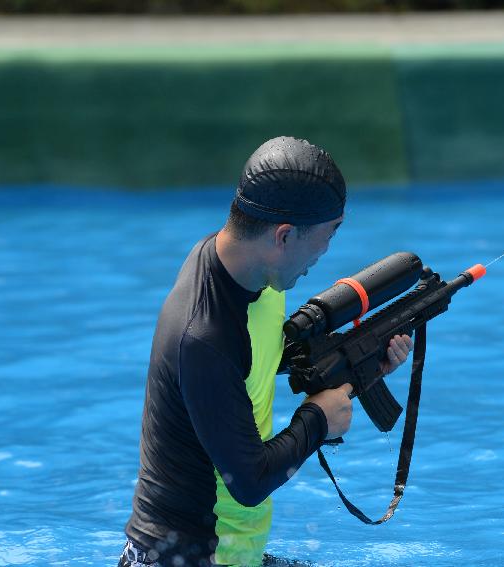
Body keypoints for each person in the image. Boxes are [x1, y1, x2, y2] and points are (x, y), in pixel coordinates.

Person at [119, 136, 413, 567]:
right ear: (285, 236)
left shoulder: (250, 275)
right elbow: (250, 481)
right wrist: (318, 421)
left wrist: (356, 366)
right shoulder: (203, 334)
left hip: (236, 555)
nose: (326, 252)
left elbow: (252, 365)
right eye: (327, 235)